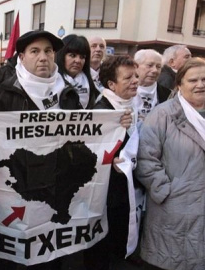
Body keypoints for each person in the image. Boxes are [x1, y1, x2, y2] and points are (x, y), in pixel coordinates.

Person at [0, 30, 133, 270]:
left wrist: (114, 127)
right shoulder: (6, 93)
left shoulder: (67, 93)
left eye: (49, 51)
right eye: (35, 51)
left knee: (50, 258)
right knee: (12, 258)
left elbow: (84, 138)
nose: (43, 57)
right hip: (21, 188)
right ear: (22, 56)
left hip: (56, 188)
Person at [135, 58, 205, 270]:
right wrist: (166, 191)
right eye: (193, 80)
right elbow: (145, 158)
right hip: (175, 208)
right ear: (179, 84)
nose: (201, 84)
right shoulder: (163, 114)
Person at [84, 55, 139, 270]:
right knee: (100, 249)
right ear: (111, 85)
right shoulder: (101, 112)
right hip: (104, 195)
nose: (135, 80)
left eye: (135, 75)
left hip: (121, 191)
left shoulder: (130, 106)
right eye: (128, 78)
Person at [56, 34, 100, 109]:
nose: (78, 61)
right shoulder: (52, 83)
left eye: (82, 57)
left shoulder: (91, 85)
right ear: (62, 55)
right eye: (72, 55)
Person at [133, 49, 172, 121]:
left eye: (158, 67)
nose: (155, 70)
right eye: (150, 65)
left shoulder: (169, 95)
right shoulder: (123, 90)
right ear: (136, 66)